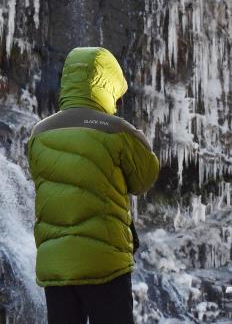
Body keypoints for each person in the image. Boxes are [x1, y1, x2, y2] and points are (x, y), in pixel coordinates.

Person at [27, 46, 160, 324]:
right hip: (105, 263)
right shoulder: (115, 129)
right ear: (105, 84)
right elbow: (144, 179)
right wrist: (140, 140)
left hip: (57, 267)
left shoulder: (39, 134)